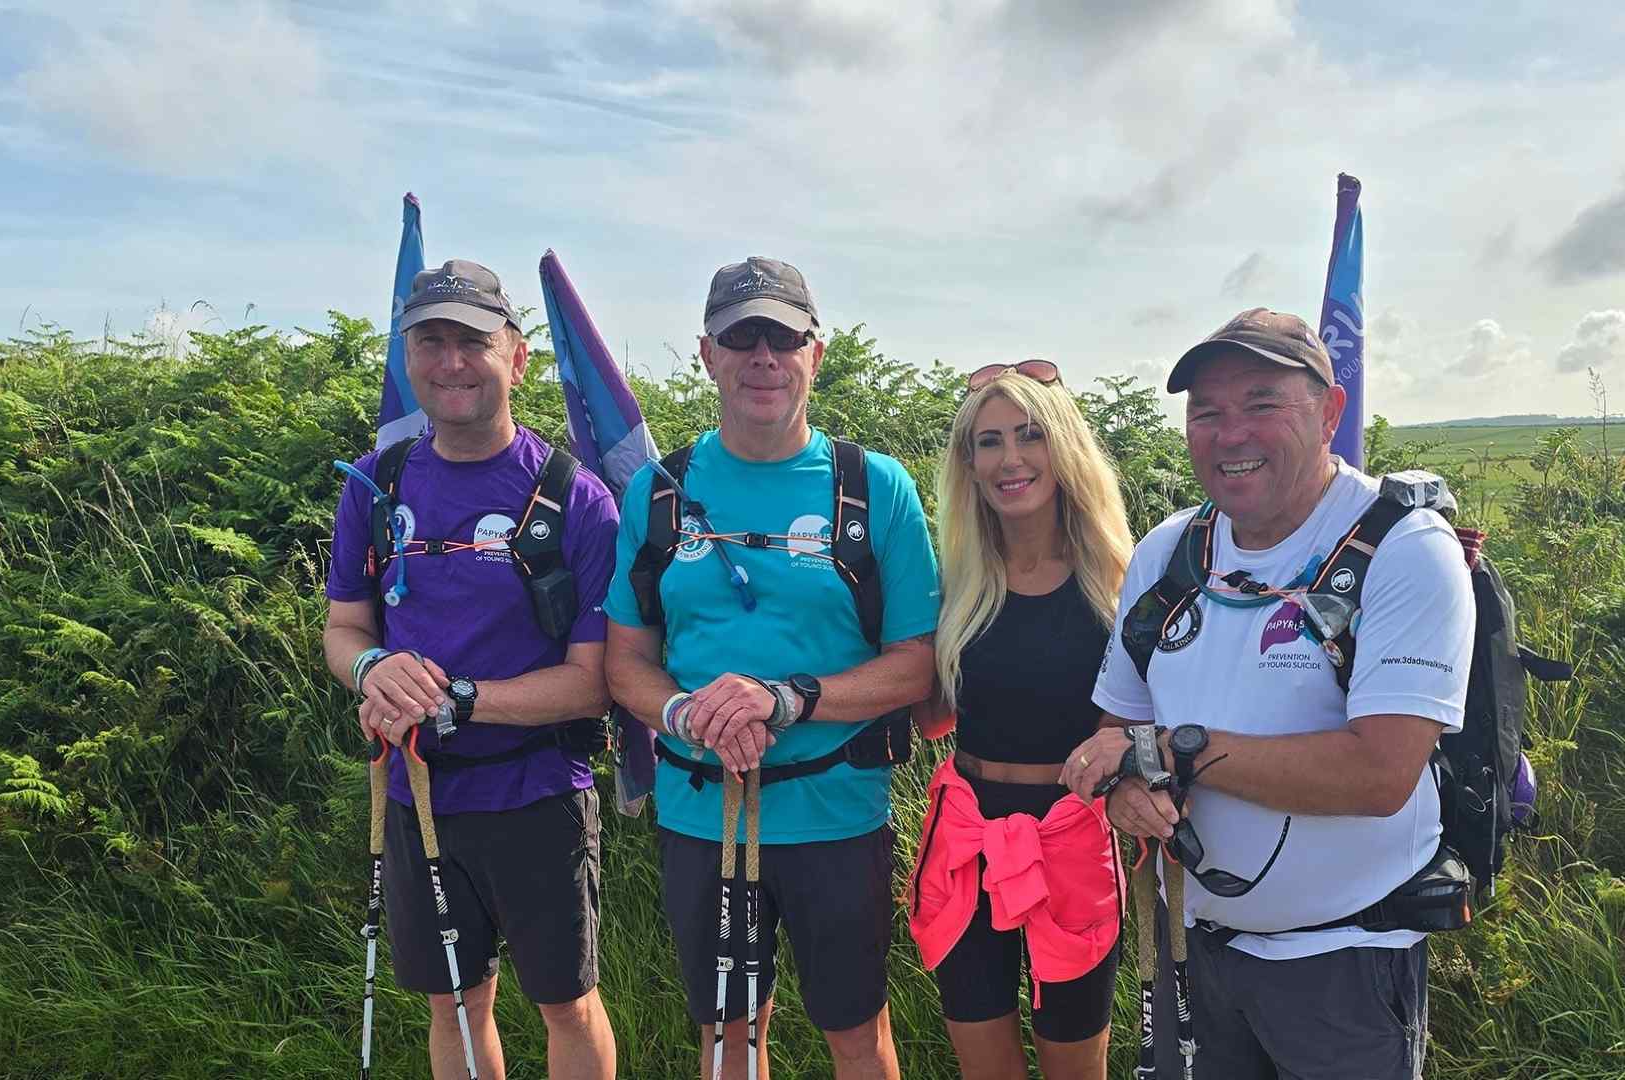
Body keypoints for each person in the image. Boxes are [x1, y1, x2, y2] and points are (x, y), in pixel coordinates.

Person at [1060, 308, 1477, 1079]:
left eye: (1260, 404)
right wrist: (1124, 787)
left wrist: (1177, 750)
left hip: (1345, 962)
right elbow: (1117, 728)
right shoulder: (1168, 552)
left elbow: (1380, 775)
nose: (1230, 433)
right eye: (1207, 413)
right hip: (1191, 952)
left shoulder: (1406, 552)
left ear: (1329, 413)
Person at [604, 256, 940, 1080]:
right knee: (726, 1039)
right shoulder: (658, 492)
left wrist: (786, 700)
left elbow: (916, 667)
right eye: (741, 336)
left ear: (814, 355)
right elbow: (626, 662)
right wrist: (689, 715)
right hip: (700, 816)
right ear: (707, 354)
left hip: (836, 817)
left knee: (857, 1035)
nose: (763, 356)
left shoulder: (875, 488)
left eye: (782, 337)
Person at [322, 259, 620, 1080]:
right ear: (407, 356)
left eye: (473, 341)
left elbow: (594, 679)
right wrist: (374, 669)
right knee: (454, 1000)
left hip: (538, 793)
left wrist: (459, 699)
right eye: (431, 342)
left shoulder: (575, 498)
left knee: (566, 1002)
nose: (450, 362)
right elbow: (345, 629)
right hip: (413, 790)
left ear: (516, 357)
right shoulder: (375, 484)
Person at [905, 359, 1133, 1080]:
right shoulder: (956, 583)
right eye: (989, 442)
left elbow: (1134, 725)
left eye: (1029, 436)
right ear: (968, 465)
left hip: (1073, 834)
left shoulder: (1119, 582)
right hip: (967, 836)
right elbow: (933, 717)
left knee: (1075, 1069)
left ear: (1063, 449)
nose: (1011, 459)